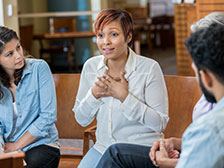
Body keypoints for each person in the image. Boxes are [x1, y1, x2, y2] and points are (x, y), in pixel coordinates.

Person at [95, 12, 224, 168]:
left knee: (115, 155)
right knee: (115, 153)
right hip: (186, 151)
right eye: (100, 35)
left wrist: (168, 163)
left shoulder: (211, 127)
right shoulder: (209, 110)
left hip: (184, 160)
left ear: (206, 77)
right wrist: (175, 142)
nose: (106, 42)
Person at [72, 9, 169, 168]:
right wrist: (94, 95)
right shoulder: (91, 67)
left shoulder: (149, 68)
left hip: (141, 150)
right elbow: (81, 119)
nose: (106, 42)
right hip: (102, 148)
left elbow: (160, 123)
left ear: (128, 36)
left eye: (114, 34)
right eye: (100, 35)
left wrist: (125, 97)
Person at [0, 26, 60, 167]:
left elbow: (48, 116)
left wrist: (16, 146)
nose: (19, 55)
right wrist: (2, 149)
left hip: (41, 143)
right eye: (9, 54)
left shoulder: (39, 68)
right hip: (7, 146)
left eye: (18, 47)